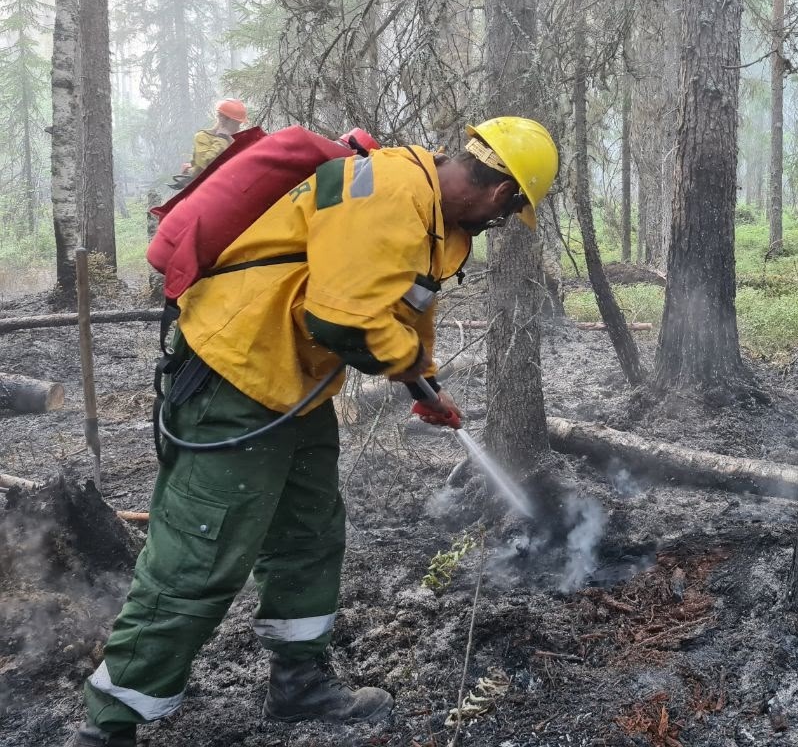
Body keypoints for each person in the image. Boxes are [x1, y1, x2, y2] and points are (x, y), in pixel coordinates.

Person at [67, 117, 559, 747]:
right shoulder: (390, 193)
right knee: (201, 554)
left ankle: (299, 684)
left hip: (295, 389)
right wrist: (405, 366)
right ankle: (109, 725)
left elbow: (398, 305)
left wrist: (424, 383)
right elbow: (340, 322)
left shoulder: (435, 219)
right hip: (236, 379)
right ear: (500, 194)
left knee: (310, 534)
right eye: (509, 210)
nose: (499, 223)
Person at [169, 99, 248, 188]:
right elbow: (205, 165)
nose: (238, 128)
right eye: (236, 124)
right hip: (211, 189)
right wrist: (222, 138)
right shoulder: (202, 137)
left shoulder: (234, 140)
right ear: (222, 119)